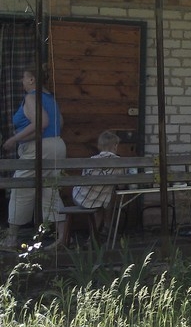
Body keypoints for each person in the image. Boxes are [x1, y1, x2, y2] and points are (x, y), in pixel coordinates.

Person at [1, 64, 68, 250]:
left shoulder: (31, 97)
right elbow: (59, 122)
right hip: (57, 144)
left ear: (32, 80)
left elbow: (41, 122)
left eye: (24, 78)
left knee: (21, 187)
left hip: (39, 149)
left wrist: (15, 139)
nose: (22, 81)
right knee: (50, 190)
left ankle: (11, 238)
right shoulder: (50, 98)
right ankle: (63, 238)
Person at [72, 130, 123, 233]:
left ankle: (99, 232)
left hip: (79, 197)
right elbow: (121, 185)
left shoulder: (91, 160)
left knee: (100, 198)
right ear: (115, 146)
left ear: (99, 146)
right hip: (97, 202)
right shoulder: (119, 162)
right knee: (103, 201)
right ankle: (97, 234)